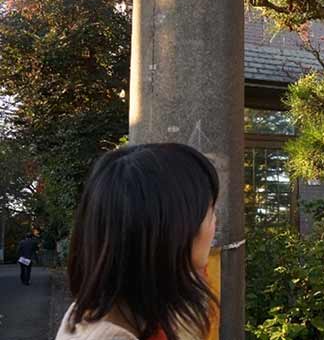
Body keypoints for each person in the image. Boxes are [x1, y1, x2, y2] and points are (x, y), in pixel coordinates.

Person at [55, 143, 219, 340]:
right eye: (210, 210)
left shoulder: (108, 310)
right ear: (176, 228)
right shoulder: (114, 336)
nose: (215, 223)